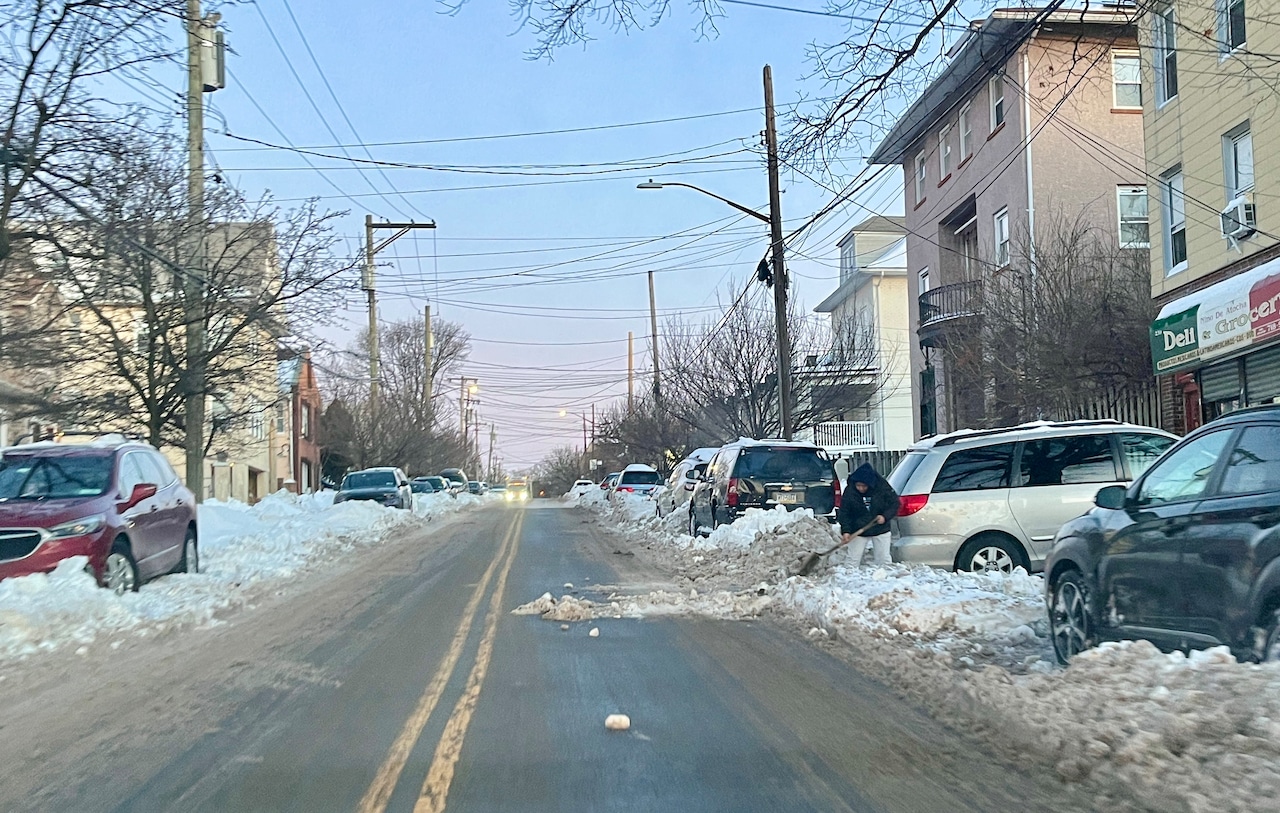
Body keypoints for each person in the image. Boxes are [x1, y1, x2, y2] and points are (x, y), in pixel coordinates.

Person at [837, 462, 899, 566]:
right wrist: (846, 531)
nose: (861, 488)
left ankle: (885, 575)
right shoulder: (850, 491)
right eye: (858, 485)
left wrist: (885, 517)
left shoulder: (882, 488)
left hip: (880, 528)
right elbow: (845, 512)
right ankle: (849, 576)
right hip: (857, 528)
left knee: (884, 561)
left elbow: (894, 504)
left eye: (864, 486)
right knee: (852, 561)